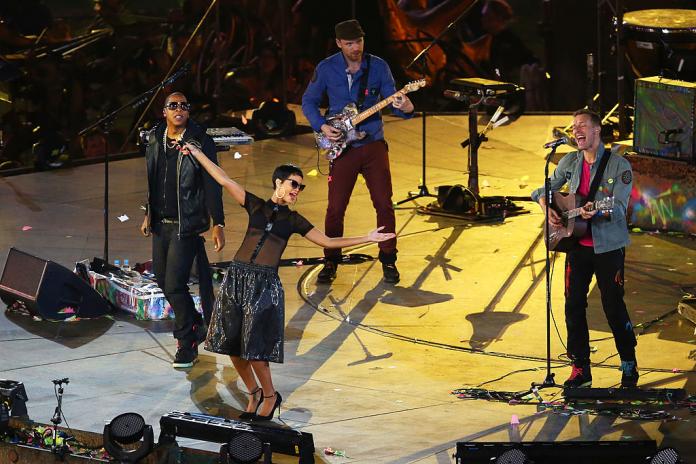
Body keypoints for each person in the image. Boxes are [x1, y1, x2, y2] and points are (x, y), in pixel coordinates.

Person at [180, 141, 395, 421]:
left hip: (263, 285)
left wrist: (367, 238)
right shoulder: (255, 205)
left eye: (300, 187)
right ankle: (253, 392)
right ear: (279, 182)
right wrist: (197, 153)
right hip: (237, 278)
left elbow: (328, 241)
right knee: (231, 347)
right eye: (294, 184)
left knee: (255, 349)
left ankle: (270, 396)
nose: (297, 191)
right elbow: (223, 178)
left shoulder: (293, 220)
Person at [301, 19, 414, 285]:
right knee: (335, 208)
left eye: (359, 42)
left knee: (384, 204)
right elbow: (308, 101)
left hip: (373, 144)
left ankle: (389, 259)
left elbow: (394, 102)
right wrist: (322, 126)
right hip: (343, 147)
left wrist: (406, 106)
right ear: (339, 43)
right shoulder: (326, 68)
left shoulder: (378, 66)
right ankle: (331, 260)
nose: (355, 47)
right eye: (350, 43)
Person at [531, 109, 638, 388]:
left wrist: (597, 212)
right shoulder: (570, 161)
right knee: (573, 305)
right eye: (574, 126)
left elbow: (617, 207)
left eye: (582, 126)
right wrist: (547, 207)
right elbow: (542, 189)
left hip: (608, 248)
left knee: (612, 305)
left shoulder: (619, 166)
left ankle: (628, 362)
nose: (576, 130)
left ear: (596, 131)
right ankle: (580, 367)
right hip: (576, 246)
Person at [140, 92, 226, 369]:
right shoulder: (155, 138)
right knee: (165, 282)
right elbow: (152, 180)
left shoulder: (199, 141)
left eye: (184, 106)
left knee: (175, 284)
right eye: (173, 105)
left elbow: (213, 183)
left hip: (185, 224)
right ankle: (194, 326)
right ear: (164, 111)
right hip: (160, 223)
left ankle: (185, 342)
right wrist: (148, 214)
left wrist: (218, 223)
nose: (179, 109)